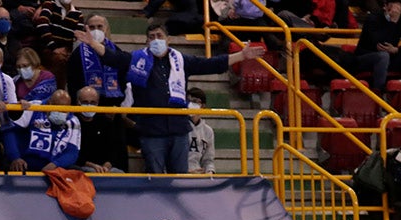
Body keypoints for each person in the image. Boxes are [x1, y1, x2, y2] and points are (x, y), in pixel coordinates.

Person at [77, 23, 263, 174]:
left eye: (159, 36)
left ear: (168, 39)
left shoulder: (181, 60)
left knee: (179, 177)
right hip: (151, 131)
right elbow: (114, 58)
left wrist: (241, 55)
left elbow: (210, 65)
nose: (156, 40)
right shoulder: (137, 59)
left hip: (179, 129)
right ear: (146, 41)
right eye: (151, 37)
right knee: (156, 177)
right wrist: (93, 44)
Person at [4, 87, 79, 172]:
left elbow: (72, 152)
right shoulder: (33, 107)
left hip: (54, 167)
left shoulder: (73, 121)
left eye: (64, 111)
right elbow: (10, 130)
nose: (60, 113)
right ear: (49, 103)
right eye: (57, 109)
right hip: (25, 162)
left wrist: (55, 164)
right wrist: (15, 157)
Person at [353, 0, 401, 92]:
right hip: (367, 56)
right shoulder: (373, 18)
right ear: (385, 6)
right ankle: (378, 92)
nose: (396, 8)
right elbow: (380, 44)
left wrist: (397, 50)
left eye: (398, 5)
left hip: (391, 56)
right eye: (393, 4)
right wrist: (392, 22)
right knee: (383, 56)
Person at [67, 14, 124, 106]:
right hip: (85, 106)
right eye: (92, 27)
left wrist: (116, 105)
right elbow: (72, 83)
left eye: (99, 27)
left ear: (106, 29)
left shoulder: (116, 52)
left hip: (111, 106)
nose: (96, 30)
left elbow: (122, 79)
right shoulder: (77, 54)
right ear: (86, 30)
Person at [74, 85, 126, 173]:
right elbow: (72, 154)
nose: (89, 105)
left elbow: (113, 149)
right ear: (78, 102)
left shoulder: (105, 122)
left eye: (93, 102)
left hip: (103, 167)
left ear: (98, 103)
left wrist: (107, 165)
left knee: (119, 174)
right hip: (81, 166)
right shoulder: (72, 122)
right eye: (85, 102)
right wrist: (92, 165)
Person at [186, 87, 214, 175]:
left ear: (203, 106)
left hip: (199, 174)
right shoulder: (178, 127)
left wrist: (209, 171)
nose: (191, 104)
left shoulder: (208, 131)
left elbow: (208, 160)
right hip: (180, 174)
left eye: (195, 101)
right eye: (189, 101)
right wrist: (186, 172)